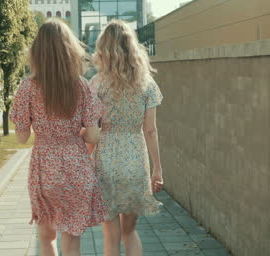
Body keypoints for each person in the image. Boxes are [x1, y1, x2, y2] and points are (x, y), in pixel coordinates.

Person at [10, 19, 106, 256]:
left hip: (45, 169)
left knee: (46, 239)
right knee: (72, 242)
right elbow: (93, 135)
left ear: (37, 52)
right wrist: (74, 136)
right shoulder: (82, 86)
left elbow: (21, 137)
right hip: (77, 168)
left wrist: (42, 129)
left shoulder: (27, 88)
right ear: (70, 50)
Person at [91, 19, 165, 256]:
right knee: (130, 232)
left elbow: (92, 129)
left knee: (110, 238)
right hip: (135, 162)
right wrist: (157, 169)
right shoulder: (147, 84)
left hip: (107, 162)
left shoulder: (97, 83)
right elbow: (151, 130)